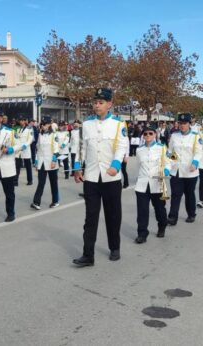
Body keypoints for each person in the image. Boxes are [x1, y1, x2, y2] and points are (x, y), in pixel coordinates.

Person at [72, 88, 129, 266]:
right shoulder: (87, 124)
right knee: (90, 218)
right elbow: (80, 146)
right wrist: (77, 167)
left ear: (109, 104)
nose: (97, 105)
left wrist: (116, 164)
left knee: (113, 215)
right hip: (91, 177)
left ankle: (115, 247)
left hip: (110, 177)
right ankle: (88, 255)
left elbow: (121, 146)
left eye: (101, 102)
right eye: (95, 102)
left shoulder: (119, 124)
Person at [133, 126, 170, 242]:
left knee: (159, 208)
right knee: (142, 211)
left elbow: (171, 160)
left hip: (157, 182)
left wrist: (167, 169)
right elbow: (139, 165)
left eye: (150, 133)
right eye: (145, 134)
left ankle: (162, 226)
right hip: (142, 184)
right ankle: (142, 234)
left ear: (155, 134)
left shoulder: (163, 148)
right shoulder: (139, 150)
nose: (147, 136)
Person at [167, 113, 203, 225]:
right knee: (175, 194)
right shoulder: (174, 136)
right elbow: (170, 151)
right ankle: (173, 217)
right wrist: (172, 161)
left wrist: (195, 163)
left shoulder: (196, 137)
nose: (182, 125)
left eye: (185, 123)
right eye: (180, 123)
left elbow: (198, 152)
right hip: (176, 170)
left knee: (189, 193)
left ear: (189, 124)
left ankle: (191, 214)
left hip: (190, 170)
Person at [31, 117, 60, 210]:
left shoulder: (54, 135)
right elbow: (38, 148)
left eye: (45, 124)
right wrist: (36, 161)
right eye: (42, 124)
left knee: (53, 183)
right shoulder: (40, 134)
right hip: (42, 162)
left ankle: (55, 201)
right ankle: (36, 202)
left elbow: (56, 148)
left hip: (51, 162)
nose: (43, 126)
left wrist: (54, 160)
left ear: (49, 124)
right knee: (41, 183)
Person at [14, 117, 34, 186]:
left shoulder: (29, 129)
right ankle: (15, 181)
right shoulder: (18, 129)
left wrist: (26, 145)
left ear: (25, 121)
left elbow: (30, 139)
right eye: (20, 121)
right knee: (17, 166)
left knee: (28, 166)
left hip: (26, 149)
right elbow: (17, 139)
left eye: (22, 120)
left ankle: (30, 180)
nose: (21, 122)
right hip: (19, 150)